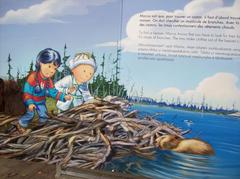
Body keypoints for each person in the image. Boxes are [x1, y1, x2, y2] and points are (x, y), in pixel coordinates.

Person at [18, 48, 72, 131]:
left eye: (54, 68)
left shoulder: (48, 81)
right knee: (30, 114)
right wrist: (29, 103)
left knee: (44, 116)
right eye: (49, 66)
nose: (51, 71)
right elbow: (27, 92)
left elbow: (53, 92)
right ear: (40, 63)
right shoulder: (33, 77)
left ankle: (41, 129)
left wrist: (63, 97)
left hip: (41, 102)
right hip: (31, 101)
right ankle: (21, 124)